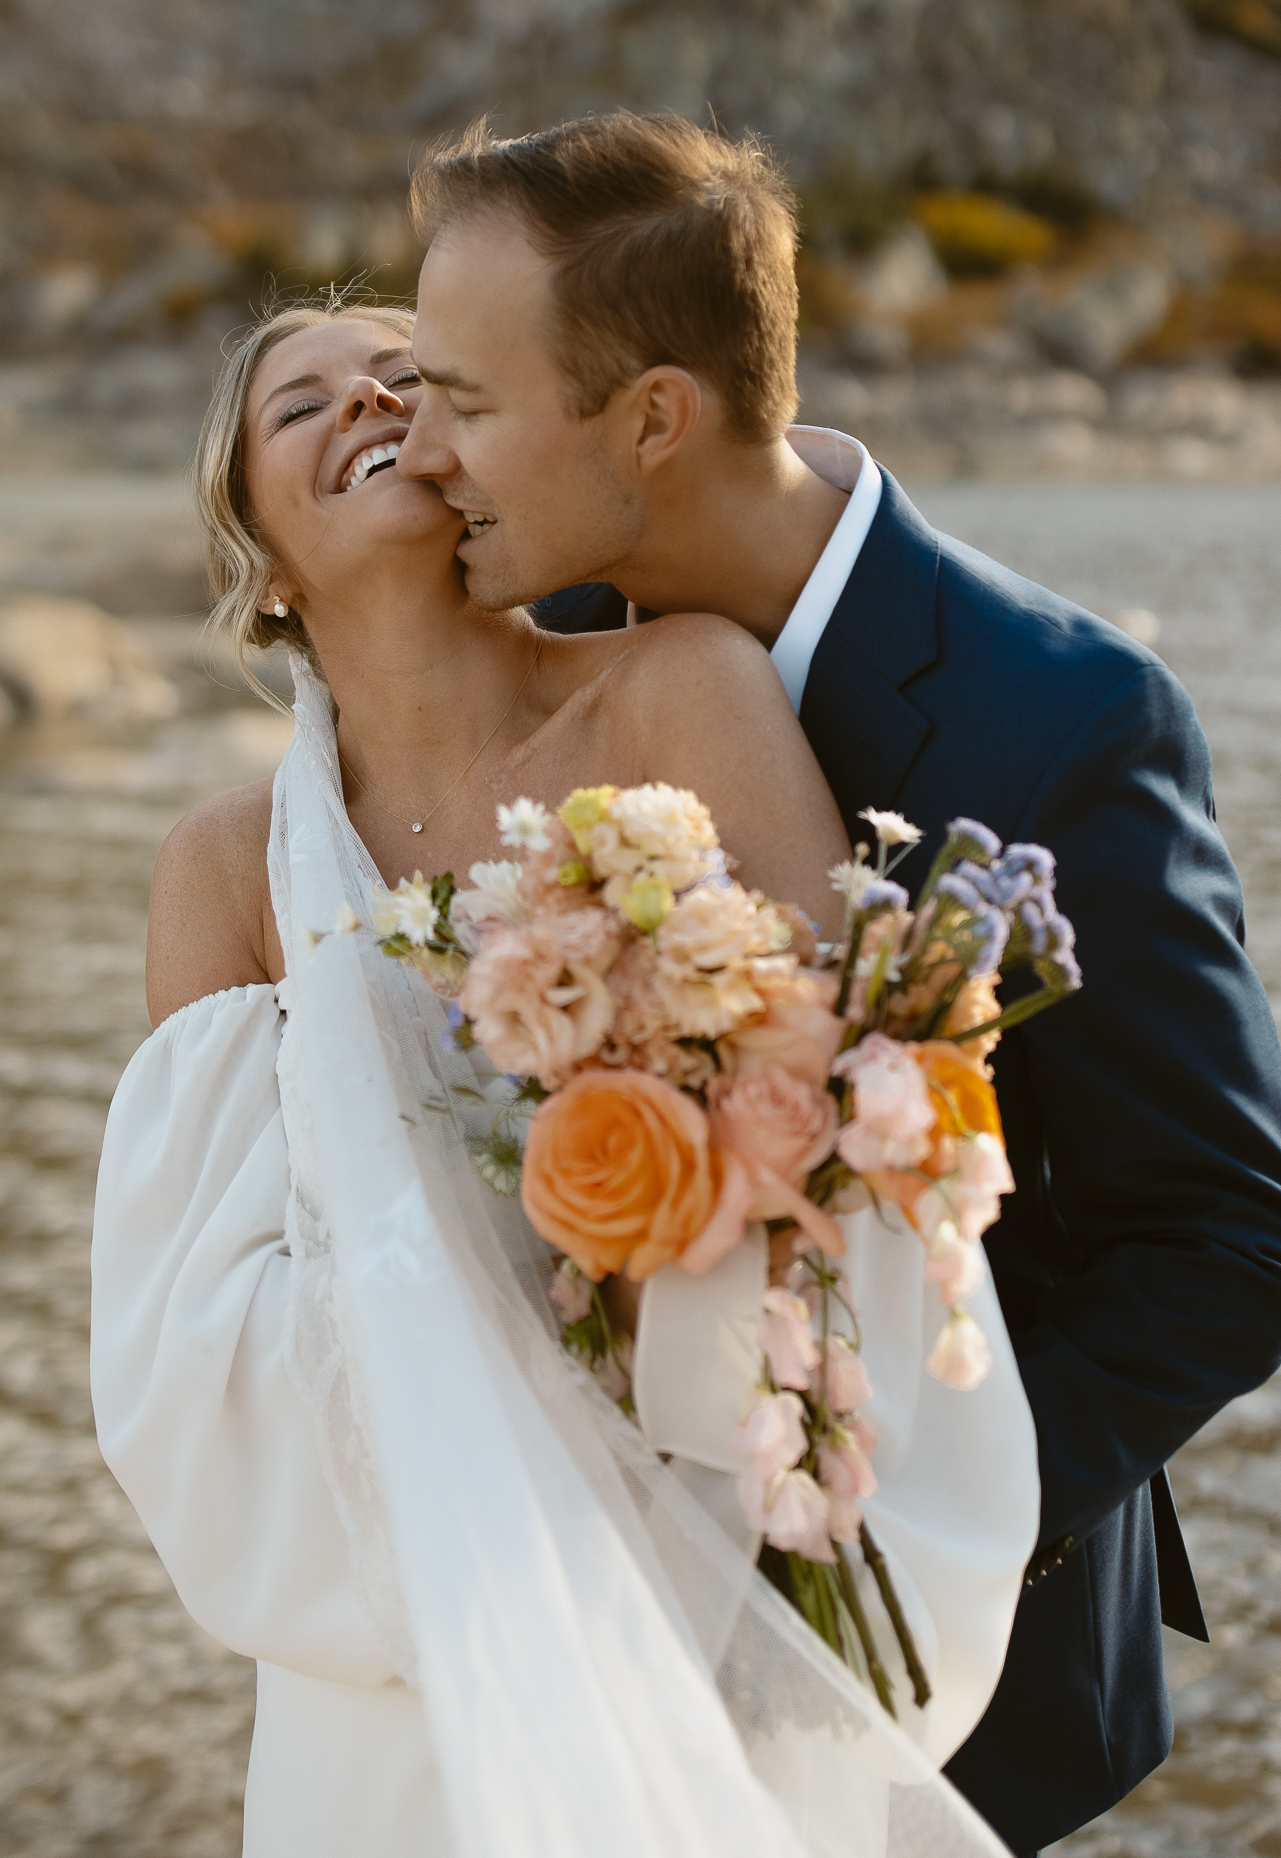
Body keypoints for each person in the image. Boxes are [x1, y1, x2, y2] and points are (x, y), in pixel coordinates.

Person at [393, 112, 1281, 1857]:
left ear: (653, 416)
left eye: (467, 402)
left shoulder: (1063, 724)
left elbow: (1235, 1236)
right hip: (609, 1652)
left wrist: (913, 1518)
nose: (426, 455)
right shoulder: (529, 643)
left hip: (952, 1673)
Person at [90, 299, 1036, 1858]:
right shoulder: (222, 871)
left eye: (412, 373)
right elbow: (192, 1340)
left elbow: (838, 1127)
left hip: (706, 1550)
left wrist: (644, 1284)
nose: (371, 399)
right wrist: (497, 1395)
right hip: (390, 1656)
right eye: (300, 403)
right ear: (259, 562)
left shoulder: (683, 690)